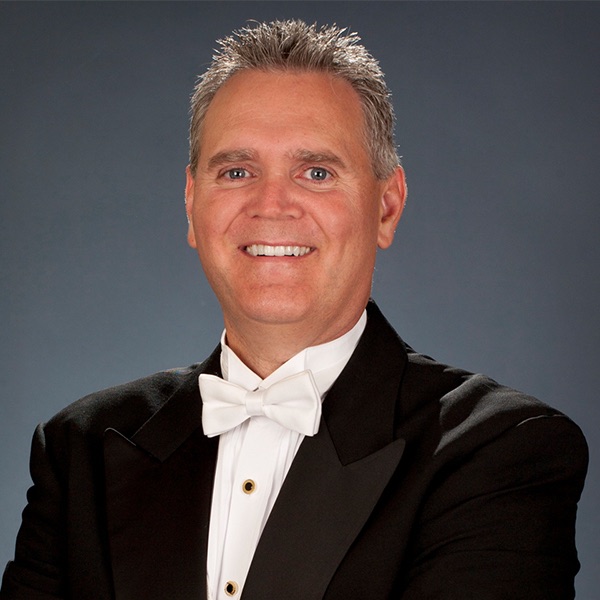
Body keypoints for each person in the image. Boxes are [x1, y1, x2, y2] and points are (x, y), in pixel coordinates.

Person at [1, 19, 588, 600]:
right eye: (237, 171)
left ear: (386, 207)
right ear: (191, 204)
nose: (272, 205)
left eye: (316, 172)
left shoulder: (500, 449)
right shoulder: (79, 451)